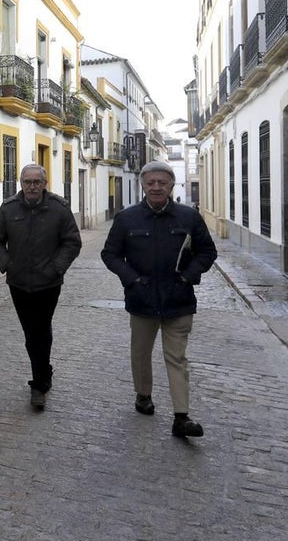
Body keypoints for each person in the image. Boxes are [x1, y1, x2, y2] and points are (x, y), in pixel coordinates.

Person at [101, 161, 217, 439]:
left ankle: (181, 416)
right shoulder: (126, 219)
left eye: (162, 183)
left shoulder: (189, 218)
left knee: (177, 358)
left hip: (179, 299)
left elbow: (207, 252)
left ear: (171, 186)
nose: (156, 187)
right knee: (140, 354)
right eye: (151, 182)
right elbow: (110, 254)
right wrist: (132, 279)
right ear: (142, 185)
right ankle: (143, 395)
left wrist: (187, 276)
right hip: (141, 300)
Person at [0, 164, 82, 411]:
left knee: (39, 329)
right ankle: (45, 370)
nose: (31, 186)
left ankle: (39, 384)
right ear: (21, 183)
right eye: (27, 182)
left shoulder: (59, 208)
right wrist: (8, 264)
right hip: (18, 283)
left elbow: (72, 242)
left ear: (44, 183)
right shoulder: (9, 208)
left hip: (48, 283)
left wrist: (56, 268)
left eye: (36, 182)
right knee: (32, 332)